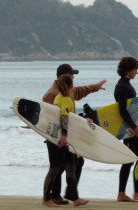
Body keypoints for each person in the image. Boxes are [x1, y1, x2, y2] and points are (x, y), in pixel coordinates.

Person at [42, 64, 107, 205]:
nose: (73, 77)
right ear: (63, 77)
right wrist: (56, 137)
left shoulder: (68, 90)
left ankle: (72, 195)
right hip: (57, 137)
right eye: (71, 75)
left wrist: (95, 87)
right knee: (57, 167)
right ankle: (52, 196)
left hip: (68, 134)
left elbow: (80, 91)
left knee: (73, 163)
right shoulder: (51, 95)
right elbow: (49, 119)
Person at [43, 74, 89, 207]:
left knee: (71, 166)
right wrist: (64, 136)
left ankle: (75, 198)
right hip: (60, 138)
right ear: (71, 86)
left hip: (62, 137)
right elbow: (64, 118)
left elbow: (70, 118)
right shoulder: (65, 99)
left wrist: (85, 121)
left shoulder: (59, 97)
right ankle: (46, 199)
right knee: (55, 167)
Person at [114, 57, 138, 202]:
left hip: (129, 128)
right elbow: (122, 111)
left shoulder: (124, 84)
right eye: (135, 69)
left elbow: (131, 110)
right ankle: (135, 192)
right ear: (128, 70)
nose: (137, 72)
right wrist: (134, 128)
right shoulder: (123, 86)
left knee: (129, 159)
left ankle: (123, 193)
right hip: (128, 130)